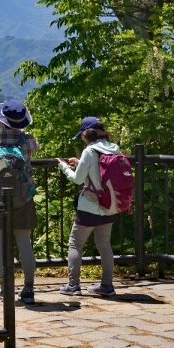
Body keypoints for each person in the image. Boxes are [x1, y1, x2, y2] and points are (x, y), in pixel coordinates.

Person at [0, 97, 38, 305]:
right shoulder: (28, 140)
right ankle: (29, 288)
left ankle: (5, 288)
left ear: (0, 120)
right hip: (23, 196)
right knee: (24, 241)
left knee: (0, 241)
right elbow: (32, 153)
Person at [56, 116, 120, 297]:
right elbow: (100, 173)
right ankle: (107, 285)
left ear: (86, 134)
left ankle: (73, 285)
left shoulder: (90, 151)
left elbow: (78, 179)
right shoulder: (114, 148)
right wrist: (80, 163)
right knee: (105, 244)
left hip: (90, 205)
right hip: (109, 204)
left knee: (75, 244)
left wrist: (63, 167)